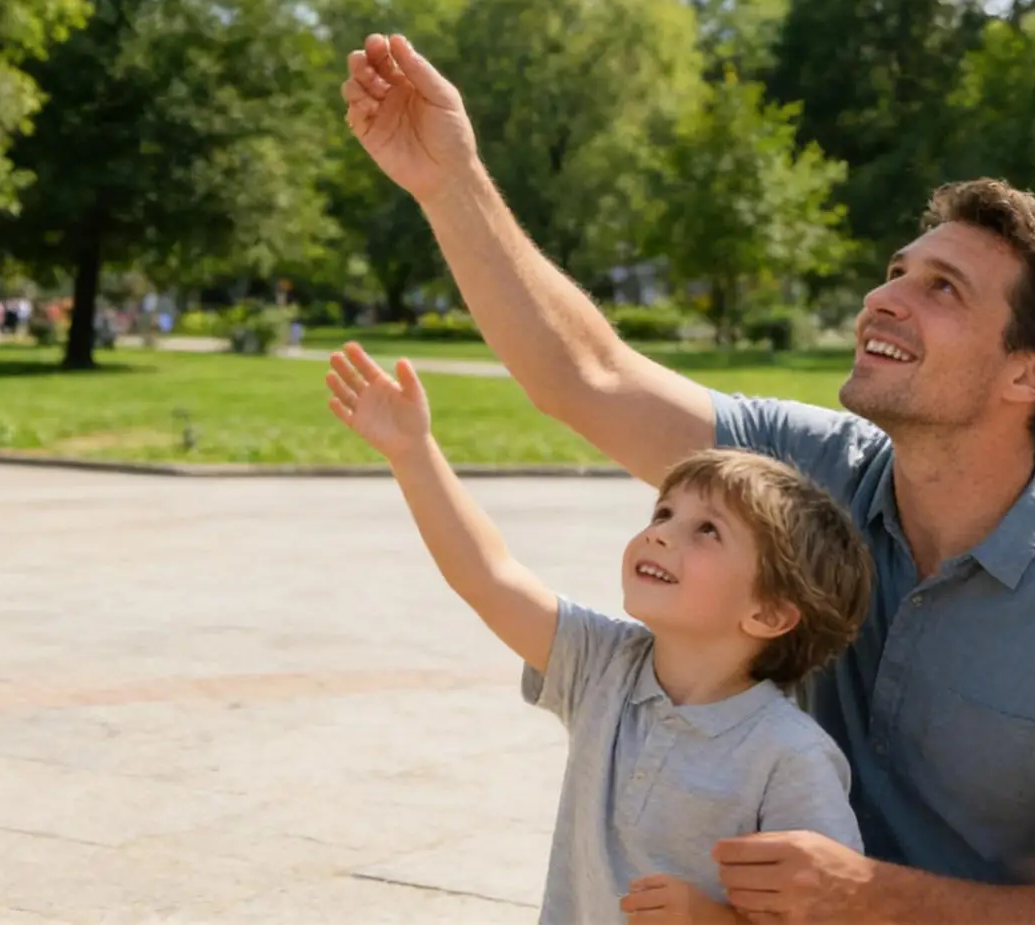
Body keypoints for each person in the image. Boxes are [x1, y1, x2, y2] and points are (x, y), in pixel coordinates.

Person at [339, 32, 1035, 925]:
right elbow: (586, 374)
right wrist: (448, 181)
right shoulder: (805, 475)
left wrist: (876, 897)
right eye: (896, 271)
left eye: (942, 288)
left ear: (1029, 374)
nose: (884, 298)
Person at [324, 342, 872, 921]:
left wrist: (713, 919)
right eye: (664, 514)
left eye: (706, 530)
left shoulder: (789, 758)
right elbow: (488, 577)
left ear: (768, 614)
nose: (661, 533)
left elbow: (828, 913)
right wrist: (413, 453)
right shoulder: (603, 666)